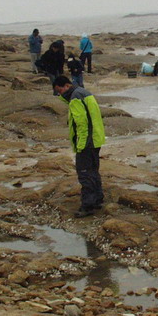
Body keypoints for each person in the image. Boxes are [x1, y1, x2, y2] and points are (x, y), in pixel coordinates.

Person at [53, 75, 106, 217]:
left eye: (59, 91)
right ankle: (97, 199)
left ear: (65, 86)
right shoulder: (84, 92)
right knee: (93, 170)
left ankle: (87, 206)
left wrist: (81, 145)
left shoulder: (76, 97)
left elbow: (81, 123)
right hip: (96, 139)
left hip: (87, 141)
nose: (60, 94)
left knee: (84, 173)